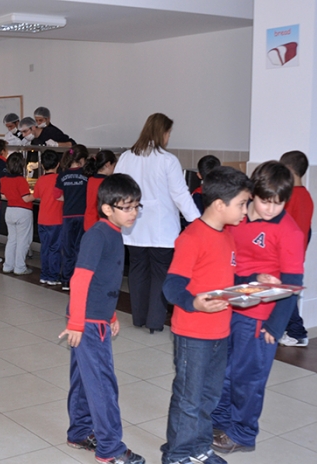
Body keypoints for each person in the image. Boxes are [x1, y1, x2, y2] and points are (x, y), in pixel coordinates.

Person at [211, 161, 304, 455]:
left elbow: (293, 284)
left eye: (279, 203)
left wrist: (275, 326)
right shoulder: (235, 216)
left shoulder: (289, 231)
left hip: (260, 318)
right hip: (228, 307)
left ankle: (243, 433)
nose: (271, 209)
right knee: (222, 372)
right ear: (253, 193)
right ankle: (219, 423)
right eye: (266, 201)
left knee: (248, 378)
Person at [161, 166, 252, 464]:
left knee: (209, 396)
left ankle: (199, 447)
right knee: (189, 397)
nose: (245, 211)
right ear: (220, 204)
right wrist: (195, 304)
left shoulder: (227, 236)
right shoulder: (192, 237)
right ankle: (176, 454)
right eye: (242, 204)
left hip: (219, 332)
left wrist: (255, 286)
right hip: (193, 333)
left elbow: (227, 279)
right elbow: (172, 287)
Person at [59, 173, 145, 464]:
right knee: (103, 384)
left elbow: (103, 281)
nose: (133, 212)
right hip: (88, 322)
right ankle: (110, 448)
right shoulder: (98, 235)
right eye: (127, 207)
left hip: (96, 317)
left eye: (136, 206)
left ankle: (80, 432)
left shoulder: (114, 231)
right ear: (107, 208)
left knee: (84, 379)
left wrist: (111, 313)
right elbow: (80, 279)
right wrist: (76, 323)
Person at [115, 113, 201, 333]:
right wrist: (198, 222)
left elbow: (116, 187)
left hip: (133, 225)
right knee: (160, 273)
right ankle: (154, 322)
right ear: (163, 132)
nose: (168, 137)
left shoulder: (126, 157)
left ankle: (138, 318)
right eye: (169, 133)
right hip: (162, 229)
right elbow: (180, 194)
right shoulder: (167, 160)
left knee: (137, 270)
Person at [278, 150, 313, 347]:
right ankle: (292, 330)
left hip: (286, 256)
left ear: (289, 170)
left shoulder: (290, 198)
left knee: (286, 295)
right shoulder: (306, 196)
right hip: (296, 255)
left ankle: (297, 332)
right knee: (286, 293)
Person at [55, 145, 89, 290]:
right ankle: (78, 279)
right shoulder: (87, 174)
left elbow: (57, 196)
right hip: (83, 215)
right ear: (82, 159)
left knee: (68, 248)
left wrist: (68, 198)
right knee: (80, 248)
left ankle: (66, 280)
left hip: (68, 215)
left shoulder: (62, 174)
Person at [0, 152, 35, 275]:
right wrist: (37, 194)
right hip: (23, 212)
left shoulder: (3, 179)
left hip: (10, 211)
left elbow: (3, 196)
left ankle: (7, 265)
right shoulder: (21, 180)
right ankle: (19, 267)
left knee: (12, 240)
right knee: (23, 241)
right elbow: (26, 198)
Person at [33, 150, 63, 285]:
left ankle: (44, 274)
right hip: (56, 219)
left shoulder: (40, 180)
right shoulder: (60, 179)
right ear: (58, 164)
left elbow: (36, 195)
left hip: (42, 219)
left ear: (42, 165)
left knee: (45, 247)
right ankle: (52, 276)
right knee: (55, 248)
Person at [84, 150, 117, 231]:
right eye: (114, 166)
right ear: (108, 164)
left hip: (88, 221)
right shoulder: (108, 182)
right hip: (101, 223)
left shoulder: (90, 180)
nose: (114, 169)